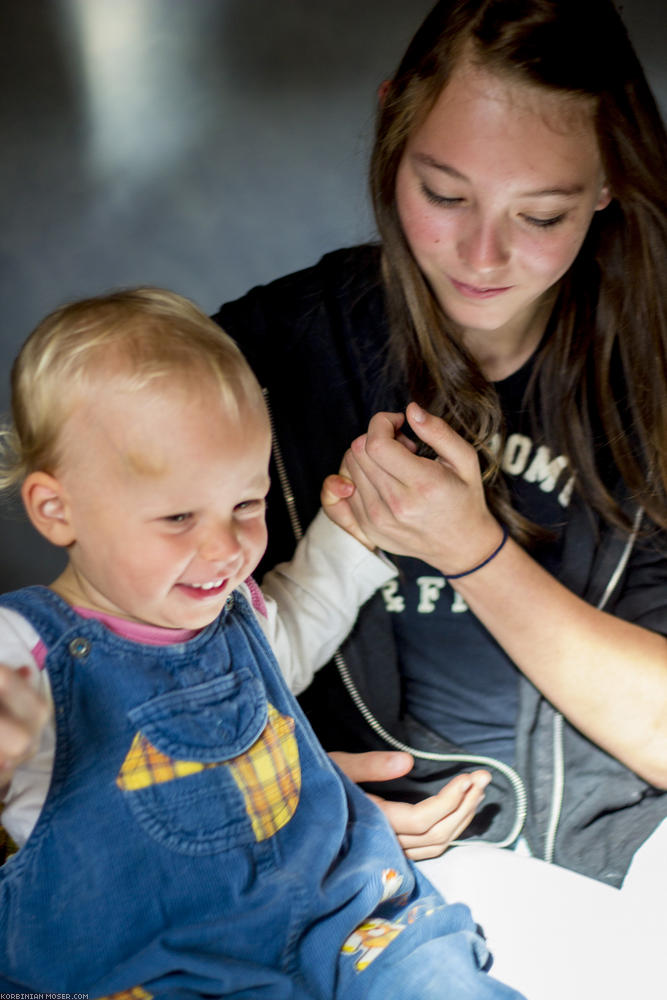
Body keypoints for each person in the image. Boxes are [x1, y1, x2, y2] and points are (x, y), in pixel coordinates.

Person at [213, 0, 667, 889]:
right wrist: (262, 789)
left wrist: (473, 551)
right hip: (328, 872)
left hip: (615, 877)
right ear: (392, 130)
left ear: (608, 181)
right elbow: (120, 653)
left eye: (540, 216)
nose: (482, 254)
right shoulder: (255, 356)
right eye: (444, 194)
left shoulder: (653, 375)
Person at [0, 288, 524, 999]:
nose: (225, 548)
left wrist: (352, 534)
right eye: (179, 516)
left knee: (440, 974)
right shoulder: (25, 648)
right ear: (57, 510)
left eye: (245, 504)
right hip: (149, 975)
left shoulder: (236, 613)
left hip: (338, 929)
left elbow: (298, 620)